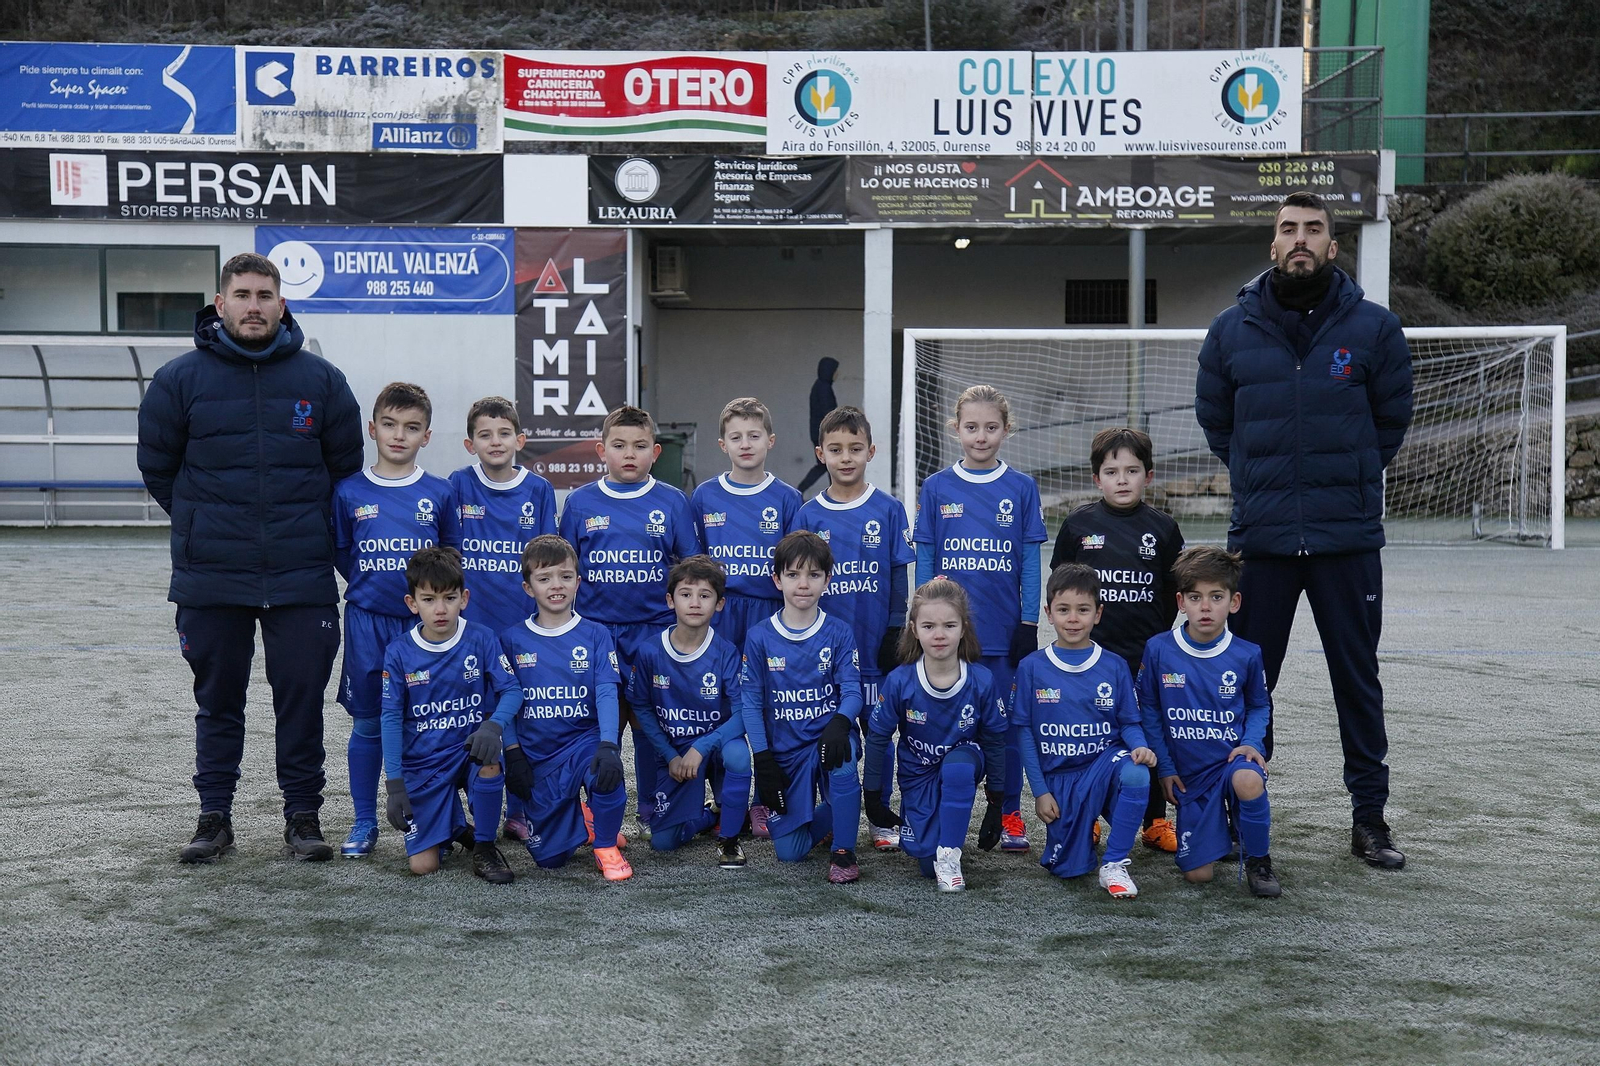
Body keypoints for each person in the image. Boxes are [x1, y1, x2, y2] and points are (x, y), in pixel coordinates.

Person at [1195, 189, 1414, 870]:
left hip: (1345, 540)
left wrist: (1343, 477)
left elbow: (1390, 423)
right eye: (1288, 228)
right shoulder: (1231, 329)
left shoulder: (1374, 329)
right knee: (1250, 683)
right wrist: (1267, 479)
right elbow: (1218, 424)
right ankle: (1236, 814)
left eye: (1313, 229)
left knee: (1358, 681)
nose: (1300, 239)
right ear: (1272, 244)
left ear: (1332, 244)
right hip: (1261, 542)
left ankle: (1370, 820)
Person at [138, 251, 362, 864]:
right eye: (242, 295)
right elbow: (158, 469)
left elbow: (344, 471)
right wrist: (200, 521)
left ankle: (303, 818)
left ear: (282, 304)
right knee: (218, 703)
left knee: (300, 703)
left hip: (300, 576)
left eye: (265, 295)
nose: (254, 305)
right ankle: (214, 819)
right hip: (212, 576)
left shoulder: (321, 381)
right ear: (220, 303)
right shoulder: (178, 379)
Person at [913, 385, 1047, 854]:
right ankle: (933, 807)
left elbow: (1030, 562)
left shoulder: (1021, 487)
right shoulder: (937, 487)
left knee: (1005, 730)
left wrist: (1028, 624)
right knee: (941, 725)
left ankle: (1009, 810)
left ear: (1006, 430)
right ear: (956, 430)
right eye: (972, 427)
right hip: (947, 638)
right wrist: (921, 621)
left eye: (991, 427)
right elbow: (925, 560)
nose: (981, 436)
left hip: (1001, 634)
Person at [558, 405, 700, 833]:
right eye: (619, 446)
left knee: (648, 722)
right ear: (602, 450)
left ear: (655, 452)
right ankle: (594, 809)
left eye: (639, 446)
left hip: (652, 633)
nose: (629, 454)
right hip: (595, 632)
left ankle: (652, 804)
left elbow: (689, 567)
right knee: (599, 723)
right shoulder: (580, 501)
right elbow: (564, 568)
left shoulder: (673, 501)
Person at [331, 383, 458, 859]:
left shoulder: (438, 492)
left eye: (411, 427)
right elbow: (345, 554)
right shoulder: (348, 491)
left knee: (425, 722)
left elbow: (449, 559)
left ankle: (428, 821)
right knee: (368, 724)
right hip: (367, 624)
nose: (398, 435)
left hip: (422, 628)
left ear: (426, 435)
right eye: (389, 425)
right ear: (372, 429)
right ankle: (364, 821)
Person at [1048, 426, 1184, 854]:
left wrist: (1158, 644)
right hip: (1089, 658)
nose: (1122, 480)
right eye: (1112, 471)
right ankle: (1086, 815)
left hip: (1144, 656)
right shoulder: (1079, 525)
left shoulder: (1163, 529)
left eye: (1132, 470)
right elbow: (1061, 586)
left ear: (1149, 475)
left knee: (1147, 735)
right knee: (1090, 736)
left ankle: (1155, 821)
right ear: (1096, 478)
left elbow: (1171, 593)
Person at [796, 406, 913, 853]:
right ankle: (836, 809)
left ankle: (880, 809)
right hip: (828, 657)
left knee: (881, 734)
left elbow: (900, 579)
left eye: (855, 448)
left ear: (871, 451)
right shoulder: (809, 513)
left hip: (876, 650)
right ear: (820, 453)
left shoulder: (888, 508)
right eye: (836, 449)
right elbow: (798, 584)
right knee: (837, 736)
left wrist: (893, 631)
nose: (846, 457)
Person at [1136, 547, 1280, 898]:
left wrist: (1251, 744)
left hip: (1229, 762)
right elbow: (1150, 711)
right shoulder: (1158, 649)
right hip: (1190, 777)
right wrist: (1166, 768)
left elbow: (1260, 706)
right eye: (1196, 597)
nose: (1205, 607)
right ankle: (1215, 835)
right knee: (1198, 876)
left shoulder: (1246, 653)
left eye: (1216, 597)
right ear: (1181, 602)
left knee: (1248, 779)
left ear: (1234, 602)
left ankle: (1259, 859)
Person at [378, 547, 528, 884]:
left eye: (449, 597)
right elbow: (389, 718)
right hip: (424, 763)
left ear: (465, 598)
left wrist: (493, 726)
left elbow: (512, 690)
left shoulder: (481, 638)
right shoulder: (399, 652)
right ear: (412, 603)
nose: (441, 609)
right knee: (423, 866)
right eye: (429, 600)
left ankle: (486, 847)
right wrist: (395, 785)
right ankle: (456, 826)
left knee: (489, 757)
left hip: (467, 751)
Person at [1010, 564, 1156, 900]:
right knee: (1067, 870)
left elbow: (1130, 722)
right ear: (1049, 613)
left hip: (1104, 763)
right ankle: (1078, 836)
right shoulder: (1032, 667)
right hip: (1060, 778)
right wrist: (1040, 791)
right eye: (1064, 610)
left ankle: (1115, 863)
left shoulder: (1114, 665)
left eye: (1083, 610)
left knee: (1136, 774)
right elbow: (1024, 734)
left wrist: (1140, 746)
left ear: (1098, 614)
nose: (1073, 618)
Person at [447, 396, 557, 843]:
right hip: (470, 628)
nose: (496, 442)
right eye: (485, 435)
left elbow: (547, 556)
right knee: (467, 717)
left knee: (523, 718)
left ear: (521, 440)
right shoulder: (456, 484)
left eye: (504, 433)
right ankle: (460, 808)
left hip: (521, 626)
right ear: (470, 444)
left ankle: (520, 811)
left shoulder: (538, 489)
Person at [498, 535, 632, 881]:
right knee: (550, 860)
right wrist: (512, 752)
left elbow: (606, 691)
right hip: (537, 755)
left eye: (565, 576)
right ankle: (585, 820)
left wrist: (608, 744)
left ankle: (605, 845)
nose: (556, 586)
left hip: (582, 743)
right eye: (544, 579)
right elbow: (506, 700)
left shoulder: (595, 634)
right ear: (528, 588)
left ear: (578, 582)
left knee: (605, 773)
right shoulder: (512, 639)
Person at [862, 578, 1008, 893]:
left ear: (964, 627)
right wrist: (872, 795)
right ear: (914, 629)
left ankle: (950, 857)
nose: (939, 634)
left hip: (963, 760)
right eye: (929, 626)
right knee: (925, 864)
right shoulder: (900, 681)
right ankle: (939, 848)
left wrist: (997, 801)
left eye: (949, 625)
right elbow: (876, 737)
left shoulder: (981, 680)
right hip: (918, 773)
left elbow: (996, 742)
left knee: (957, 767)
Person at [739, 531, 866, 883]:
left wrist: (841, 722)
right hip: (786, 750)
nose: (803, 584)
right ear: (777, 579)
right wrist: (761, 758)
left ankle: (843, 852)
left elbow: (853, 689)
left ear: (828, 578)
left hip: (828, 737)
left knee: (842, 764)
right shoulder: (760, 635)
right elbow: (750, 702)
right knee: (790, 853)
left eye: (813, 574)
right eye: (793, 575)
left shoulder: (838, 632)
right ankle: (838, 814)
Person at [624, 555, 752, 868]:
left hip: (716, 744)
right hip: (677, 752)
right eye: (686, 594)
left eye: (705, 595)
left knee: (738, 755)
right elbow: (640, 706)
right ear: (671, 600)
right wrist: (670, 755)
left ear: (719, 604)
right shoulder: (650, 651)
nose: (694, 603)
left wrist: (703, 746)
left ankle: (730, 840)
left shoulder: (726, 652)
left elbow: (744, 714)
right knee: (662, 843)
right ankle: (709, 817)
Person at [690, 397, 801, 649]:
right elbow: (694, 558)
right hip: (719, 608)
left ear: (770, 441)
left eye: (754, 436)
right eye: (736, 437)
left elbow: (795, 562)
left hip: (770, 607)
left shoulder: (787, 498)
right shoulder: (705, 495)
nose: (745, 445)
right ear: (723, 445)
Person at [796, 357, 838, 495]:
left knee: (825, 465)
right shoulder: (824, 388)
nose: (837, 374)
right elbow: (828, 412)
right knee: (828, 464)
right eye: (835, 371)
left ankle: (799, 490)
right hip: (824, 433)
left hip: (819, 432)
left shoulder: (820, 386)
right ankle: (836, 494)